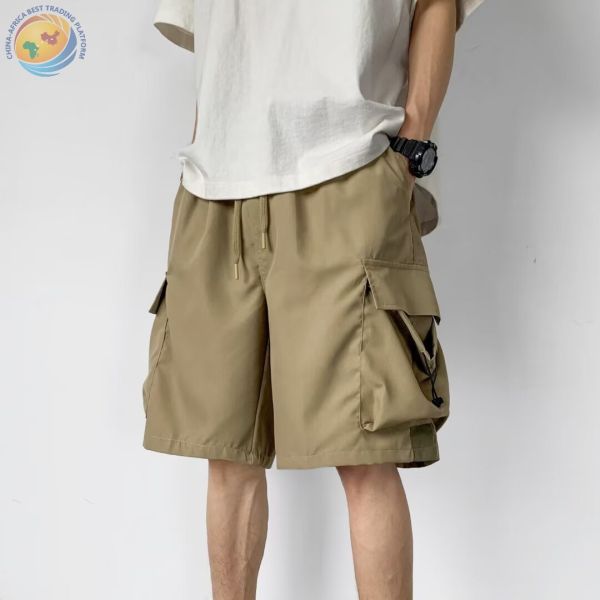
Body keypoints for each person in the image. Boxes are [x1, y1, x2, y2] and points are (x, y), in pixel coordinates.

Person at [142, 1, 485, 598]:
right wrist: (203, 147)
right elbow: (220, 51)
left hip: (346, 167)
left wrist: (410, 150)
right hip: (213, 188)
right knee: (226, 456)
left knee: (365, 452)